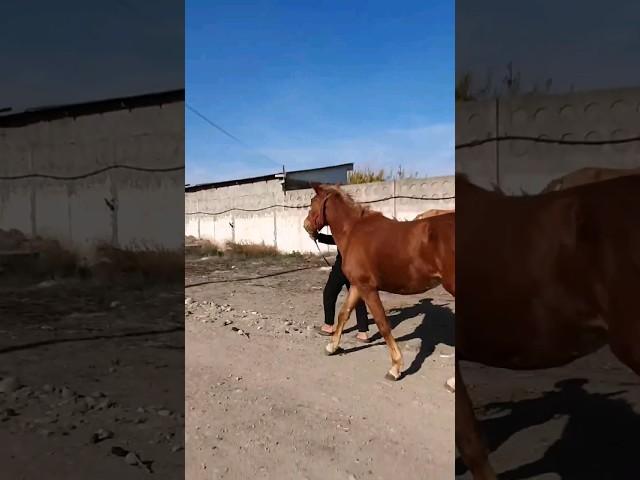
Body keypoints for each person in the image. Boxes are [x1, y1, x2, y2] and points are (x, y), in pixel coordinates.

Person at [312, 231, 370, 343]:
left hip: (343, 265)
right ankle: (363, 333)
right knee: (357, 298)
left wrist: (318, 236)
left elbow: (338, 238)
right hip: (357, 266)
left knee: (329, 293)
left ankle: (328, 326)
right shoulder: (361, 225)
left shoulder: (346, 223)